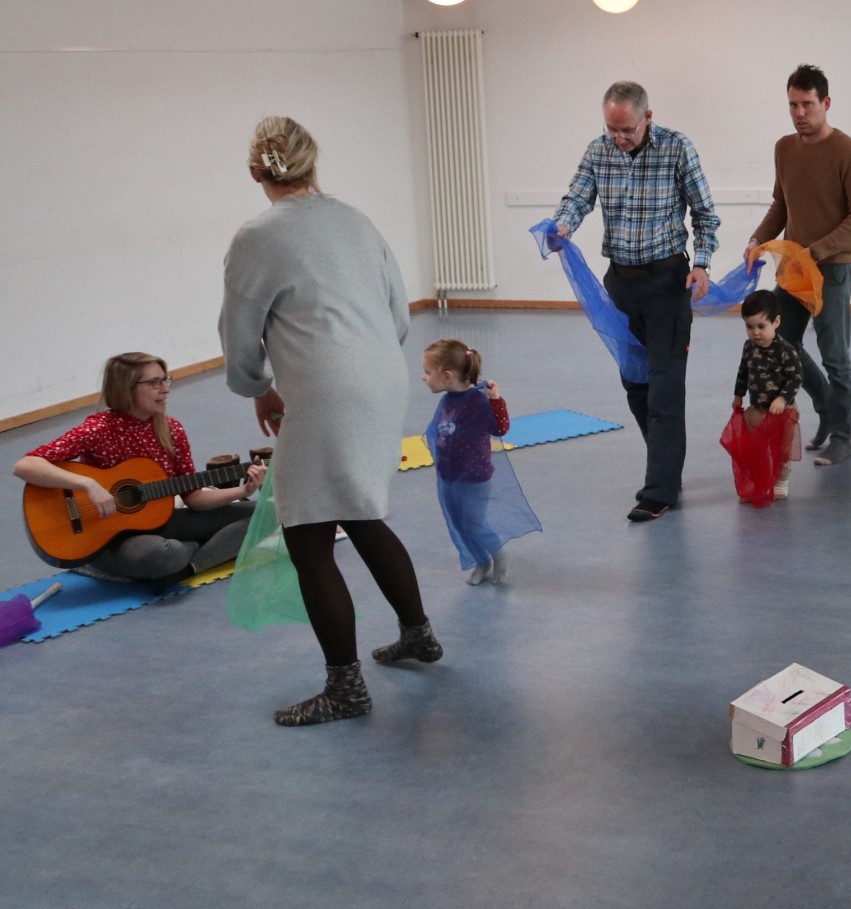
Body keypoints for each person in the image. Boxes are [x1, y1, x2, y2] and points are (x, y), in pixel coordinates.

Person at [220, 115, 439, 727]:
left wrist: (258, 386)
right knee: (360, 508)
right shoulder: (356, 220)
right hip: (380, 378)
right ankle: (418, 635)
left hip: (324, 391)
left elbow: (239, 337)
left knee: (308, 534)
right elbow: (398, 313)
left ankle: (345, 689)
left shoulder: (257, 236)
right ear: (315, 163)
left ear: (256, 171)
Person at [552, 81, 720, 522]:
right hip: (620, 286)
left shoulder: (677, 148)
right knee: (636, 384)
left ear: (647, 117)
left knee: (665, 387)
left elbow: (705, 214)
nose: (619, 138)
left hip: (668, 284)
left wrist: (701, 263)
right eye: (612, 129)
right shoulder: (598, 150)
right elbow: (577, 198)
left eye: (626, 129)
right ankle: (666, 468)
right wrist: (562, 226)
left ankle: (660, 490)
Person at [13, 352, 264, 582]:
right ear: (127, 389)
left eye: (166, 380)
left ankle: (191, 566)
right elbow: (26, 465)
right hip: (109, 533)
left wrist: (242, 493)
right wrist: (87, 484)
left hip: (160, 519)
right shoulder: (99, 429)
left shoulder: (171, 429)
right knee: (162, 553)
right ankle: (99, 561)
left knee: (266, 513)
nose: (165, 389)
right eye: (155, 383)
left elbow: (194, 498)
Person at [746, 64, 851, 467]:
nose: (800, 113)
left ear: (826, 103)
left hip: (831, 270)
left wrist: (817, 251)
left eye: (807, 104)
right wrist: (757, 239)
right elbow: (781, 205)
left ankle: (842, 437)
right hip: (792, 272)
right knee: (785, 345)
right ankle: (826, 408)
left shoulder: (848, 151)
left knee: (835, 355)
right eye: (793, 105)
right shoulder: (784, 148)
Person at [420, 339, 537, 585]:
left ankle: (498, 555)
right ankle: (481, 561)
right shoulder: (448, 399)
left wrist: (496, 400)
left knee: (473, 523)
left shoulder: (476, 401)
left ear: (447, 375)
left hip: (473, 478)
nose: (424, 378)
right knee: (459, 523)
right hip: (450, 476)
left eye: (428, 373)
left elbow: (500, 428)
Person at [732, 290, 805, 502]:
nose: (755, 333)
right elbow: (743, 371)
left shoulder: (785, 350)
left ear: (777, 322)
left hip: (783, 411)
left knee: (781, 449)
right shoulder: (749, 347)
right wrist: (738, 395)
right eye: (749, 326)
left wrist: (782, 399)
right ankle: (758, 480)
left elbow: (796, 377)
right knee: (755, 448)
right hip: (757, 410)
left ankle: (781, 480)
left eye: (761, 326)